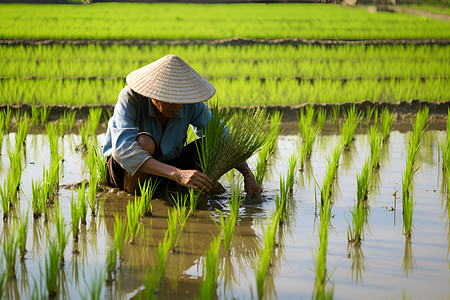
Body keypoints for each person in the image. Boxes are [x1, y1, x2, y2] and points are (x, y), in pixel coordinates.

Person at [103, 54, 262, 196]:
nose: (176, 105)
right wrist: (177, 174)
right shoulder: (131, 98)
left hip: (168, 168)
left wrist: (248, 175)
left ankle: (199, 186)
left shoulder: (191, 103)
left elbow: (223, 137)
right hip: (125, 173)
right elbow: (123, 150)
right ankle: (134, 198)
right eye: (168, 97)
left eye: (180, 99)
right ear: (152, 93)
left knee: (214, 144)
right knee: (144, 143)